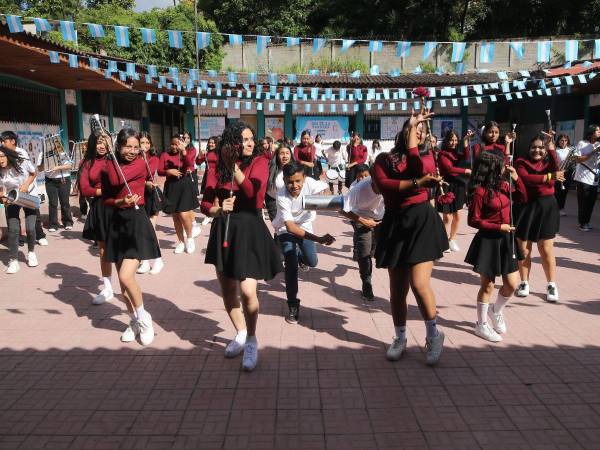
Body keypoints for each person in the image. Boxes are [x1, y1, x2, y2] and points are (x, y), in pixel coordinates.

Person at [201, 121, 282, 371]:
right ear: (232, 142)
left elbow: (252, 193)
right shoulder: (215, 165)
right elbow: (205, 203)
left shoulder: (259, 161)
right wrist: (216, 209)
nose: (249, 143)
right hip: (224, 229)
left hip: (249, 228)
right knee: (227, 290)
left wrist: (232, 166)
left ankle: (252, 339)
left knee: (248, 292)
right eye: (243, 140)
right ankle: (240, 332)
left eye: (251, 139)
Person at [372, 110, 447, 366]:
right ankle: (400, 337)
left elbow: (416, 168)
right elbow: (385, 185)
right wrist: (416, 184)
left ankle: (434, 335)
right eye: (412, 129)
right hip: (395, 222)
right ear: (402, 131)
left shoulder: (425, 159)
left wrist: (416, 143)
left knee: (419, 284)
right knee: (397, 289)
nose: (417, 133)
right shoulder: (383, 159)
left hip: (421, 222)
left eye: (421, 131)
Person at [102, 128, 160, 345]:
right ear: (119, 146)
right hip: (117, 224)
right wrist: (119, 202)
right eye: (128, 146)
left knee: (127, 276)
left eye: (137, 147)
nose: (133, 151)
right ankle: (134, 320)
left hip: (136, 222)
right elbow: (106, 197)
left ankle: (144, 319)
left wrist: (109, 158)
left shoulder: (140, 164)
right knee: (122, 285)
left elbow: (119, 179)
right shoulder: (111, 164)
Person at [465, 151, 527, 342]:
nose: (503, 168)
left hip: (506, 240)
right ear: (491, 169)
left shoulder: (505, 186)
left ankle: (496, 310)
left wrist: (518, 178)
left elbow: (523, 198)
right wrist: (498, 226)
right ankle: (481, 325)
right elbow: (473, 220)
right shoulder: (479, 192)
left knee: (512, 283)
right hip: (488, 242)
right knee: (488, 285)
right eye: (500, 165)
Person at [272, 161, 335, 323]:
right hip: (286, 230)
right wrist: (319, 239)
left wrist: (326, 195)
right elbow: (291, 227)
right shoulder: (281, 195)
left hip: (306, 227)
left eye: (298, 181)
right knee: (290, 265)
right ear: (284, 180)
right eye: (290, 182)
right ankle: (293, 305)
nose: (294, 185)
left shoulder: (310, 183)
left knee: (312, 261)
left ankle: (301, 257)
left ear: (304, 178)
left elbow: (325, 189)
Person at [514, 134, 564, 303]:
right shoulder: (521, 162)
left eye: (541, 148)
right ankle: (524, 282)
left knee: (546, 249)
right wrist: (550, 177)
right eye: (534, 147)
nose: (537, 150)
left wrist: (551, 148)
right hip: (526, 207)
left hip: (547, 208)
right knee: (524, 249)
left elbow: (557, 167)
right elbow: (527, 179)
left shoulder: (549, 162)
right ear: (529, 148)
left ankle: (551, 284)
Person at [79, 133, 114, 304]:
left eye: (104, 142)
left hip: (118, 205)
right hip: (100, 207)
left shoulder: (116, 159)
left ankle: (126, 280)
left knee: (121, 246)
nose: (101, 146)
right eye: (98, 142)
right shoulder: (87, 163)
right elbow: (85, 189)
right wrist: (102, 191)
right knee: (103, 249)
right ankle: (108, 288)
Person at [341, 167, 385, 301]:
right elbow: (342, 210)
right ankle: (366, 282)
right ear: (373, 179)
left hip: (380, 219)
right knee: (364, 252)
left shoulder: (390, 186)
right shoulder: (358, 189)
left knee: (374, 249)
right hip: (360, 217)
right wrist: (363, 221)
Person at [1, 132, 47, 246]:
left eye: (4, 141)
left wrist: (26, 185)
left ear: (13, 141)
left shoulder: (21, 153)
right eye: (1, 142)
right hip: (13, 193)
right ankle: (18, 239)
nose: (2, 144)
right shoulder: (2, 156)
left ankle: (39, 236)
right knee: (12, 216)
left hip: (27, 190)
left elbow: (33, 172)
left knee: (33, 215)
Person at [0, 146, 38, 274]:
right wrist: (3, 198)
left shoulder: (22, 162)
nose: (0, 160)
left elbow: (34, 173)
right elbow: (1, 189)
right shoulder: (0, 171)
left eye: (1, 156)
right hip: (12, 197)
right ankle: (14, 261)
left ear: (8, 155)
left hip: (28, 195)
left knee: (30, 228)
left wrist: (26, 185)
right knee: (13, 229)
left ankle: (31, 252)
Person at [158, 135, 199, 254]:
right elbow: (160, 170)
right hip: (171, 187)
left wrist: (184, 151)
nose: (174, 146)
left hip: (184, 185)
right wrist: (168, 171)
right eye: (173, 144)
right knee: (175, 216)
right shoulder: (164, 155)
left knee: (184, 214)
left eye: (177, 144)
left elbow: (189, 164)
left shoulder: (187, 152)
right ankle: (181, 242)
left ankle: (190, 238)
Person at [436, 130, 473, 252]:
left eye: (456, 140)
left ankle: (452, 239)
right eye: (451, 140)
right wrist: (466, 171)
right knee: (447, 217)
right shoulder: (442, 154)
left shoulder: (458, 153)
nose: (454, 142)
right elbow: (450, 169)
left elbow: (466, 157)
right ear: (446, 141)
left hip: (459, 186)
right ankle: (443, 241)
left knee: (457, 215)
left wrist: (466, 141)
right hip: (447, 185)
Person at [136, 132, 164, 275]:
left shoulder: (153, 158)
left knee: (150, 230)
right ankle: (145, 261)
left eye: (147, 143)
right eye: (142, 143)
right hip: (138, 195)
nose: (145, 146)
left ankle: (158, 260)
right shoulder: (134, 158)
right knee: (140, 230)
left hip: (150, 195)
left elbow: (147, 172)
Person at [573, 125, 600, 231]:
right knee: (583, 202)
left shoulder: (598, 144)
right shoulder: (582, 143)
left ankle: (587, 222)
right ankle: (582, 223)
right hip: (582, 178)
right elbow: (578, 159)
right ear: (591, 132)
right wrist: (594, 151)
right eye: (597, 130)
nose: (599, 132)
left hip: (594, 178)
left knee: (591, 202)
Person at [265, 144, 293, 222]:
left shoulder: (296, 169)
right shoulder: (270, 169)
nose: (285, 156)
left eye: (287, 153)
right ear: (277, 155)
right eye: (282, 153)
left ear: (291, 155)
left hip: (291, 204)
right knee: (279, 229)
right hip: (274, 203)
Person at [198, 136, 219, 226]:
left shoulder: (220, 153)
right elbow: (198, 162)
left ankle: (218, 216)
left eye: (213, 143)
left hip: (218, 176)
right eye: (210, 142)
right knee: (208, 197)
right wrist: (200, 155)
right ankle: (208, 215)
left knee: (217, 198)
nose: (211, 144)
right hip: (208, 176)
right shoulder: (206, 153)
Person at [554, 134, 575, 216]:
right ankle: (555, 208)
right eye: (561, 140)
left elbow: (573, 162)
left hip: (567, 173)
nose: (563, 142)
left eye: (565, 140)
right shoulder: (556, 150)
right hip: (558, 172)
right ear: (558, 141)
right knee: (557, 191)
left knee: (564, 191)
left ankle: (561, 208)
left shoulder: (570, 150)